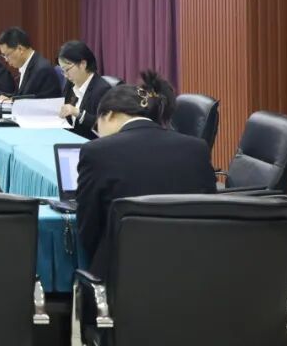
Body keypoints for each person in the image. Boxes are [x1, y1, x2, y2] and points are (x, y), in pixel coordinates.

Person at [76, 71, 216, 281]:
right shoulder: (197, 148)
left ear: (110, 114)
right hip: (191, 268)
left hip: (121, 272)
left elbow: (88, 226)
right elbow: (209, 210)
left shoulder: (97, 152)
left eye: (98, 124)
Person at [0, 27, 63, 100]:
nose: (6, 60)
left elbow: (36, 103)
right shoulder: (29, 64)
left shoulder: (41, 69)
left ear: (20, 49)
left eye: (7, 55)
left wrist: (9, 101)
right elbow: (20, 96)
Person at [57, 40, 113, 139]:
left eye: (67, 69)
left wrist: (78, 113)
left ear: (83, 64)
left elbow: (105, 127)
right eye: (63, 71)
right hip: (69, 139)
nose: (65, 75)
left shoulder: (102, 90)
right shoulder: (70, 84)